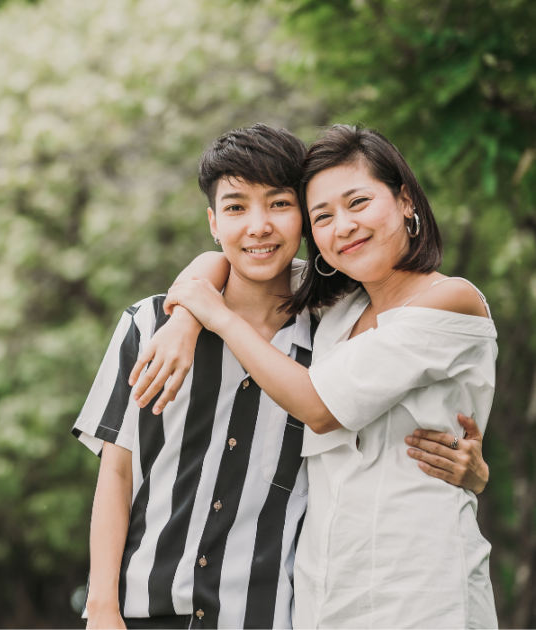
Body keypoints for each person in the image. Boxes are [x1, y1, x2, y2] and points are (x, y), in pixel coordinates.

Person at [74, 125, 488, 630]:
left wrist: (473, 473)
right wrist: (101, 608)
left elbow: (328, 407)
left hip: (303, 608)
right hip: (171, 610)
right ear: (212, 221)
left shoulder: (332, 330)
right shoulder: (157, 324)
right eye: (235, 208)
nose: (258, 225)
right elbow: (117, 472)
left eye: (280, 204)